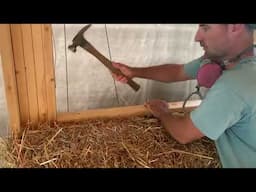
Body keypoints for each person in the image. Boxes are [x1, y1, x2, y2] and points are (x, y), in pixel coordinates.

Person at [112, 24, 256, 168]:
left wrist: (162, 112)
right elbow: (177, 72)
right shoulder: (227, 60)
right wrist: (133, 72)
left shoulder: (234, 85)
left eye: (206, 28)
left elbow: (183, 133)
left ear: (235, 27)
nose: (197, 37)